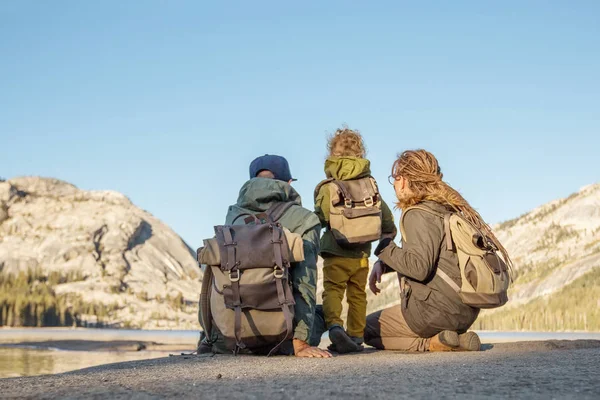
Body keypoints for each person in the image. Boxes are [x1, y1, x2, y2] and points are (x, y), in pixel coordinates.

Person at [365, 149, 513, 351]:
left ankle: (429, 343)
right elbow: (436, 259)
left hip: (432, 315)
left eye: (396, 177)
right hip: (465, 312)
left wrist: (384, 246)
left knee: (365, 329)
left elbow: (419, 267)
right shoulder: (447, 208)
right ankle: (453, 340)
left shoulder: (417, 213)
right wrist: (384, 264)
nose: (395, 184)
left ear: (406, 180)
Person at [198, 154, 331, 358]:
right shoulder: (305, 220)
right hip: (281, 340)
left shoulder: (233, 215)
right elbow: (305, 281)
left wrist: (209, 337)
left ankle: (208, 340)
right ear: (287, 182)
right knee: (324, 313)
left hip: (230, 338)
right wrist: (301, 343)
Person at [314, 128, 397, 353]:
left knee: (333, 290)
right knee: (357, 295)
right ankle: (356, 336)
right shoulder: (371, 186)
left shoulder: (328, 188)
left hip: (335, 251)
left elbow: (320, 219)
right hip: (361, 255)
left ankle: (334, 325)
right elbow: (388, 225)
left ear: (332, 155)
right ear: (361, 154)